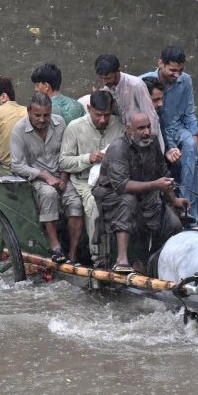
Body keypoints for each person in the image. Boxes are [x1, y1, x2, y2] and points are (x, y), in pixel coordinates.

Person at [92, 111, 189, 273]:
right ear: (129, 129)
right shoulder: (118, 148)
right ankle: (122, 259)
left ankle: (151, 260)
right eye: (141, 128)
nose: (146, 132)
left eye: (148, 127)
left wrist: (175, 200)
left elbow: (163, 173)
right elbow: (122, 185)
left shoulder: (153, 141)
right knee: (128, 200)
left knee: (174, 225)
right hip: (113, 197)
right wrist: (155, 185)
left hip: (146, 193)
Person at [10, 93, 85, 263]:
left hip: (61, 175)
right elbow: (17, 165)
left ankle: (72, 255)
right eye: (38, 115)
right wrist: (44, 176)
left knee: (75, 203)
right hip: (36, 177)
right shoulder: (19, 130)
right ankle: (55, 247)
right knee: (49, 194)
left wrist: (64, 179)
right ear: (29, 111)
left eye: (46, 115)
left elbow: (67, 153)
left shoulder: (60, 123)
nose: (42, 119)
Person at [142, 45, 198, 225]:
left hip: (176, 129)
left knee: (191, 148)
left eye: (180, 70)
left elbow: (189, 114)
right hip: (153, 131)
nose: (177, 75)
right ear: (160, 63)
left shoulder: (185, 81)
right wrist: (167, 148)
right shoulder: (144, 82)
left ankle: (188, 208)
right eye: (172, 70)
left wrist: (196, 150)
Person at [60, 90, 125, 265]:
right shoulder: (74, 127)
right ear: (89, 108)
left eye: (106, 115)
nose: (103, 120)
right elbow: (64, 162)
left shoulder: (119, 126)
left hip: (114, 181)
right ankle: (99, 259)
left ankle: (128, 257)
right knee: (95, 206)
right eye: (98, 115)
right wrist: (88, 158)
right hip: (84, 182)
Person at [94, 53, 159, 142]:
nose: (104, 82)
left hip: (147, 138)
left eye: (108, 78)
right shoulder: (106, 89)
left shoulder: (136, 85)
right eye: (102, 78)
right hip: (127, 140)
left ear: (118, 71)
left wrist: (150, 142)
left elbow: (152, 116)